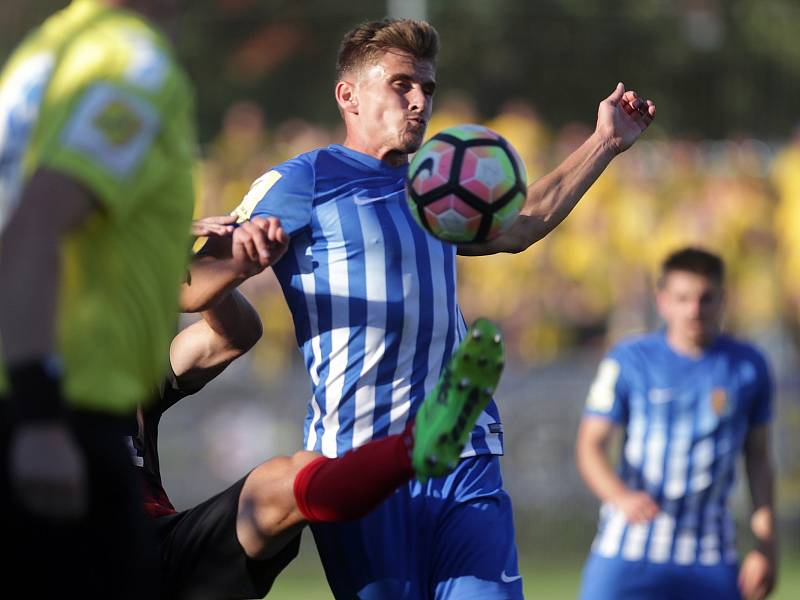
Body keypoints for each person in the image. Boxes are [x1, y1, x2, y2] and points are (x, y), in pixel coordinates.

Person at [220, 17, 656, 598]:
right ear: (348, 95)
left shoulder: (436, 185)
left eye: (427, 87)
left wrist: (604, 141)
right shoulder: (301, 180)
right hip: (357, 463)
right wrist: (229, 257)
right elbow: (193, 282)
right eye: (402, 84)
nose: (420, 100)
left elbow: (519, 225)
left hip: (461, 448)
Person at [141, 215, 506, 599]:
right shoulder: (73, 377)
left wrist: (193, 267)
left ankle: (416, 446)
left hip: (158, 546)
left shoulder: (131, 372)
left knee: (281, 482)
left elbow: (235, 335)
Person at [0, 0, 196, 597]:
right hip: (59, 409)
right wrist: (39, 413)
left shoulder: (50, 48)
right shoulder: (128, 63)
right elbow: (38, 220)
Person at [576, 247, 777, 600]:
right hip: (628, 549)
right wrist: (620, 496)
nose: (694, 310)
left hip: (709, 553)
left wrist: (766, 543)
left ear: (722, 300)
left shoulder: (748, 366)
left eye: (706, 298)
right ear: (663, 301)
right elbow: (590, 444)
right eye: (683, 298)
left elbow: (758, 458)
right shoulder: (629, 359)